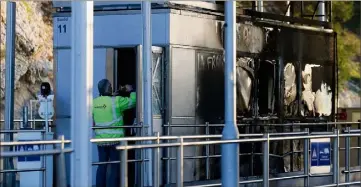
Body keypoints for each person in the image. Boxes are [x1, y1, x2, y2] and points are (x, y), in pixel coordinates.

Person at [92, 79, 136, 187]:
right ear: (108, 88)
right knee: (115, 167)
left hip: (100, 141)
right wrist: (132, 90)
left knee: (101, 166)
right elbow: (132, 102)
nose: (112, 87)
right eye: (110, 86)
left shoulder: (94, 102)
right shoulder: (116, 101)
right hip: (115, 140)